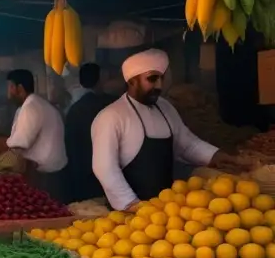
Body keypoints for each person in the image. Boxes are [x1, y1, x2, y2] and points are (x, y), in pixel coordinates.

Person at [91, 49, 240, 211]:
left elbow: (187, 144)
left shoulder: (166, 107)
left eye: (161, 78)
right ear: (132, 81)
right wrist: (132, 204)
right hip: (129, 216)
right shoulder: (111, 116)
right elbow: (105, 167)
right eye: (152, 79)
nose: (159, 86)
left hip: (168, 212)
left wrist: (218, 156)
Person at [4, 69, 68, 201]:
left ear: (20, 88)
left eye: (10, 87)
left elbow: (19, 144)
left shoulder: (31, 107)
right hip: (49, 175)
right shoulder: (32, 105)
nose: (8, 93)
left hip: (46, 178)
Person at [65, 64, 110, 202]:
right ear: (101, 80)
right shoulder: (111, 104)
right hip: (107, 170)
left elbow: (70, 144)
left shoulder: (74, 109)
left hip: (81, 172)